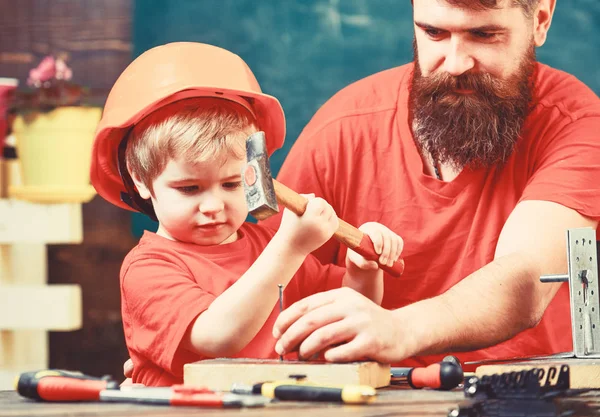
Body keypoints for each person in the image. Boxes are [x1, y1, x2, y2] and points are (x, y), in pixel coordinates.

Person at [264, 0, 600, 369]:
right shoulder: (343, 126)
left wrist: (399, 329)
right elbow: (265, 288)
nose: (455, 64)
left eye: (484, 35)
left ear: (540, 19)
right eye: (434, 33)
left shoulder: (579, 125)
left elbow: (526, 279)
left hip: (524, 398)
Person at [89, 42, 403, 386]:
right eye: (189, 188)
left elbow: (344, 320)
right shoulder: (148, 269)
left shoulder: (268, 244)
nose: (213, 206)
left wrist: (363, 271)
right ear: (141, 179)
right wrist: (291, 247)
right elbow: (218, 337)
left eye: (231, 184)